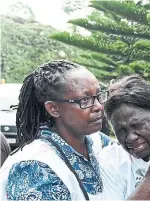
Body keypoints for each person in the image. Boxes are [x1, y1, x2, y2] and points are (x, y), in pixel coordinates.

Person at [0, 60, 112, 200]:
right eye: (85, 100)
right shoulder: (34, 168)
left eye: (99, 95)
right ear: (53, 109)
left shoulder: (97, 141)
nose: (99, 107)